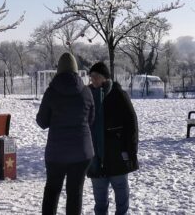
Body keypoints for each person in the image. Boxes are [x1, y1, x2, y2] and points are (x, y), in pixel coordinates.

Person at [36, 53, 94, 215]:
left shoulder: (51, 92)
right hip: (82, 152)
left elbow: (42, 122)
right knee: (75, 192)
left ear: (58, 70)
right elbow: (91, 120)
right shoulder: (86, 92)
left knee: (52, 190)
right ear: (76, 70)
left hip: (57, 152)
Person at [86, 62, 138, 215]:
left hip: (117, 156)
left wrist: (131, 151)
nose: (93, 79)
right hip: (95, 157)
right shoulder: (87, 95)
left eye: (96, 76)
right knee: (100, 202)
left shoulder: (118, 95)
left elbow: (132, 124)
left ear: (105, 77)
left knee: (121, 198)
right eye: (91, 76)